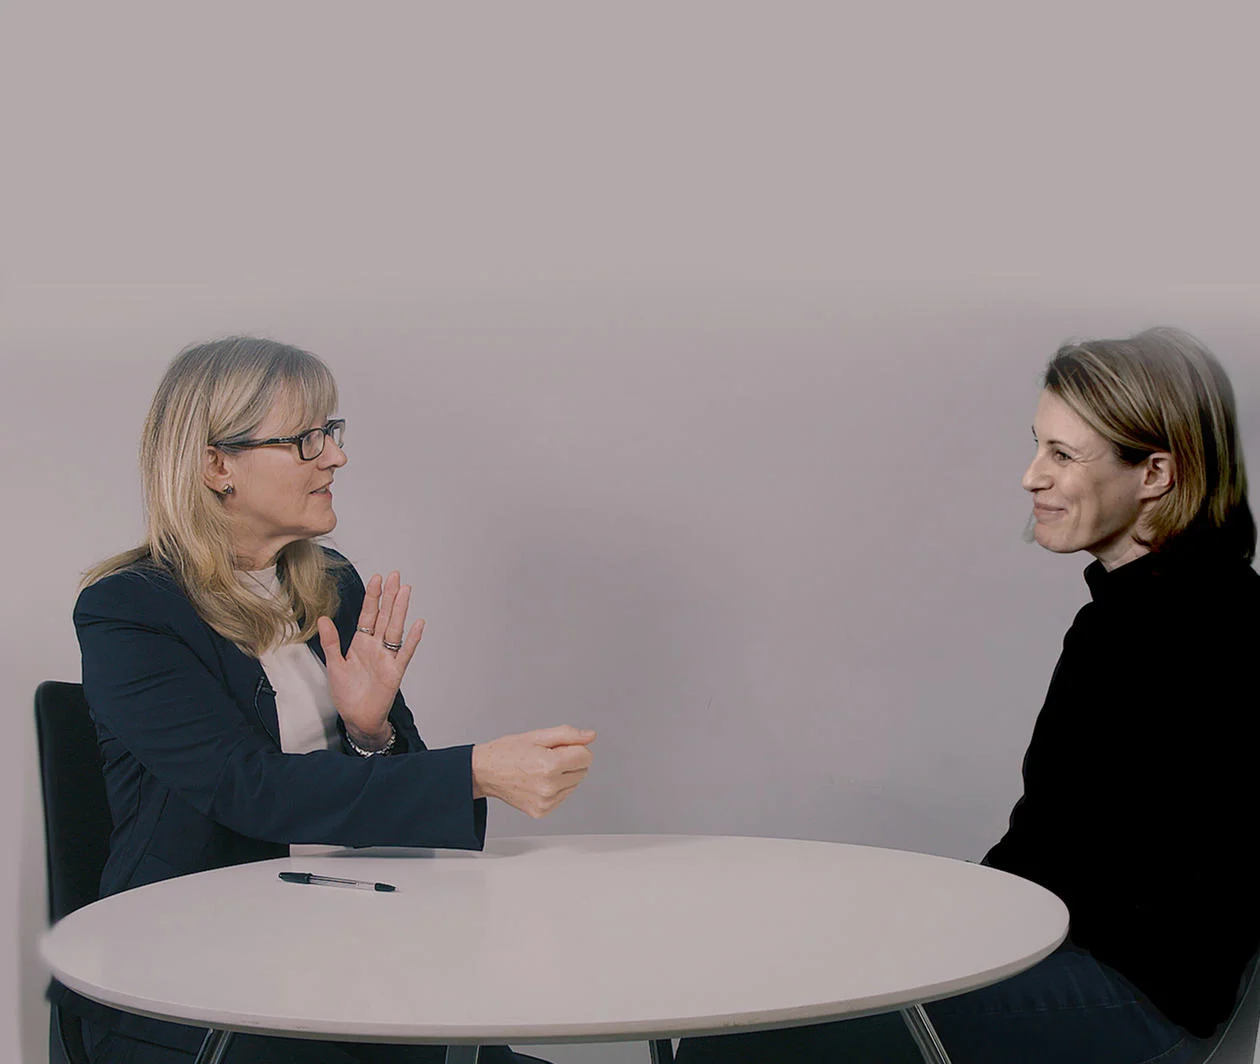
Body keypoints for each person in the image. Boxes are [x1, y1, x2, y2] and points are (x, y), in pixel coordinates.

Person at [676, 326, 1259, 1064]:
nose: (1031, 476)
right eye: (1037, 445)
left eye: (1062, 455)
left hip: (1129, 993)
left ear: (1154, 475)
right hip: (1118, 970)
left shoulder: (1160, 629)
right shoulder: (1189, 604)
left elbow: (1074, 865)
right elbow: (1073, 844)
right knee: (752, 1003)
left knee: (734, 1040)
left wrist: (923, 926)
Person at [63, 336, 596, 1064]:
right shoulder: (130, 611)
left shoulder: (331, 584)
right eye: (306, 439)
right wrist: (475, 770)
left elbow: (387, 801)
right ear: (217, 464)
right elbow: (248, 789)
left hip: (353, 955)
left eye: (331, 434)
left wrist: (369, 730)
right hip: (196, 985)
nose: (335, 457)